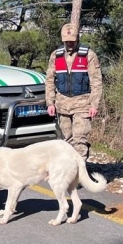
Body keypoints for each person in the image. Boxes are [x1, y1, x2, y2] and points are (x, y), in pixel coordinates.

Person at [45, 23, 103, 160]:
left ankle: (80, 174)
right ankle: (70, 172)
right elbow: (49, 81)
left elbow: (96, 82)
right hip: (62, 104)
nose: (70, 44)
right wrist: (50, 103)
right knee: (67, 141)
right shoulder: (56, 56)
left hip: (82, 103)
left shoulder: (89, 55)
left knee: (79, 139)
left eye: (72, 41)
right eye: (67, 41)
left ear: (77, 38)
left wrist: (94, 105)